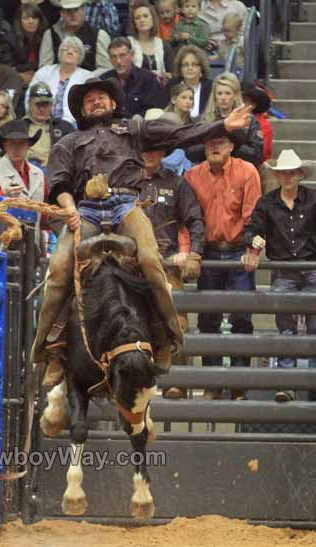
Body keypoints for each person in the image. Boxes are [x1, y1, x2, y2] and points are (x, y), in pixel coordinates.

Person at [30, 76, 252, 386]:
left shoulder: (134, 129)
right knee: (58, 268)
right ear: (81, 108)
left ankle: (166, 337)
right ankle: (48, 350)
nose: (96, 100)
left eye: (102, 96)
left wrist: (222, 126)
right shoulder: (68, 143)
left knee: (150, 259)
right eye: (89, 98)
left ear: (114, 103)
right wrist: (69, 207)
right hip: (86, 210)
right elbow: (59, 183)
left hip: (126, 205)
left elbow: (180, 134)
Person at [185, 133, 261, 400]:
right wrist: (190, 252)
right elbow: (188, 218)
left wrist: (253, 251)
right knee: (208, 319)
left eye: (220, 142)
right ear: (204, 146)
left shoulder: (247, 171)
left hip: (239, 250)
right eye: (210, 142)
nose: (214, 145)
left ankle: (239, 382)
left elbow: (253, 215)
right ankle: (212, 382)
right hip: (207, 252)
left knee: (242, 317)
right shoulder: (192, 176)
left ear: (231, 146)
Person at [241, 150, 316, 403]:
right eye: (283, 173)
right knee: (286, 328)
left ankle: (307, 382)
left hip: (310, 268)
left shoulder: (313, 200)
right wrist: (254, 238)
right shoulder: (267, 203)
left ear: (299, 175)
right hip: (284, 270)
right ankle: (287, 384)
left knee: (314, 327)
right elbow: (250, 229)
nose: (287, 177)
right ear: (279, 175)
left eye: (290, 173)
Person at [141, 107, 205, 399]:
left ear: (163, 150)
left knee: (177, 321)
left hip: (167, 264)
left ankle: (176, 381)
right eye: (146, 147)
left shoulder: (176, 183)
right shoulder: (125, 180)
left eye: (156, 148)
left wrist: (193, 253)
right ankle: (136, 383)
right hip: (130, 263)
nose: (150, 153)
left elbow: (195, 219)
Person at [186, 72, 264, 165]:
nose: (223, 97)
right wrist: (211, 144)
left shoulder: (249, 120)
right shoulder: (202, 120)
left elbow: (257, 155)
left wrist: (229, 145)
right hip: (208, 171)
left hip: (238, 172)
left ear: (235, 96)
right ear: (214, 96)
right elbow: (190, 152)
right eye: (219, 93)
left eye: (228, 93)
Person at [26, 36, 91, 126]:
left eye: (75, 51)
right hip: (42, 122)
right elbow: (29, 98)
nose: (70, 52)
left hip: (75, 125)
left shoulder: (87, 77)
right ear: (59, 54)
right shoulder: (44, 72)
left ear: (80, 58)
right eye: (65, 49)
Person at [0, 118, 47, 202]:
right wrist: (3, 195)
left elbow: (46, 210)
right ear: (4, 146)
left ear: (28, 145)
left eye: (21, 143)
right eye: (12, 143)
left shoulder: (39, 174)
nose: (16, 148)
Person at [38, 0, 112, 75]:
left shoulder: (99, 35)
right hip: (56, 83)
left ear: (83, 10)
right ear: (62, 13)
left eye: (76, 9)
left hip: (89, 83)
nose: (72, 14)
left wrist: (84, 78)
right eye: (68, 10)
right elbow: (44, 69)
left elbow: (106, 68)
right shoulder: (50, 34)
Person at [101, 36, 167, 117]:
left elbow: (152, 110)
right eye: (113, 57)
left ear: (132, 55)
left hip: (140, 127)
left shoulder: (148, 79)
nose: (118, 61)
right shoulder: (104, 80)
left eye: (122, 55)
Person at [23, 82, 74, 171]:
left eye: (45, 104)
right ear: (30, 104)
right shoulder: (18, 126)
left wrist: (54, 159)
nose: (42, 109)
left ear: (51, 106)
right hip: (24, 167)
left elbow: (74, 151)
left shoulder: (64, 127)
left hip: (52, 167)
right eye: (38, 104)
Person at [0, 3, 48, 89]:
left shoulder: (46, 36)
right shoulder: (8, 40)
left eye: (34, 18)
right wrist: (24, 73)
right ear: (19, 21)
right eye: (26, 18)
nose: (31, 21)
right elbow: (7, 68)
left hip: (41, 78)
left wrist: (36, 75)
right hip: (17, 80)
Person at [128, 0, 174, 81]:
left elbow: (172, 74)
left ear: (153, 19)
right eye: (137, 18)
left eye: (145, 16)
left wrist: (162, 75)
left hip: (159, 89)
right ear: (134, 23)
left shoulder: (164, 46)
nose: (142, 20)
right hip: (135, 90)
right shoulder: (127, 44)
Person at [170, 44, 212, 117]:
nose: (190, 68)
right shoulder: (172, 85)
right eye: (186, 64)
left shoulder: (210, 87)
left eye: (194, 64)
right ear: (180, 68)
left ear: (201, 68)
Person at [162, 82, 194, 175]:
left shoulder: (194, 124)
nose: (188, 101)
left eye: (191, 98)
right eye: (184, 97)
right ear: (173, 100)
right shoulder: (162, 121)